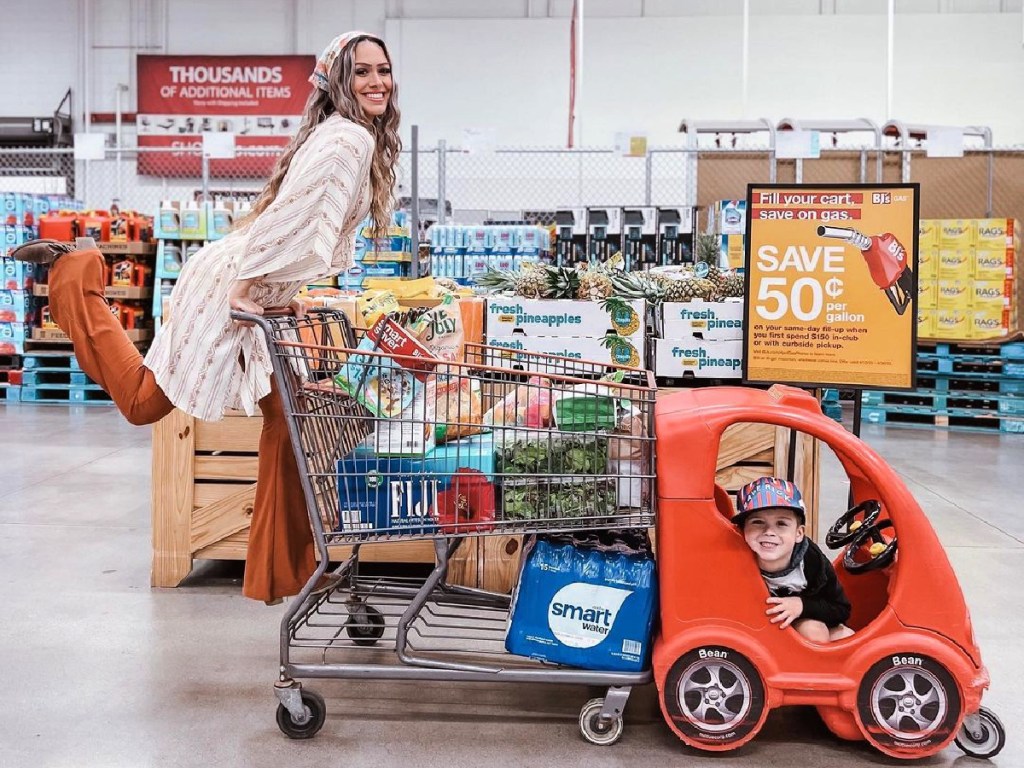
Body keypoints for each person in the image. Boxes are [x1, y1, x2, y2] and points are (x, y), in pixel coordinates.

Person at [10, 31, 401, 605]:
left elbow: (294, 219)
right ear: (339, 81)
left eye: (383, 71)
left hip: (247, 280)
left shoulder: (344, 135)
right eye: (362, 72)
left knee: (286, 424)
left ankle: (283, 571)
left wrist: (280, 290)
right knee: (147, 403)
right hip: (226, 285)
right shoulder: (347, 140)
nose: (376, 83)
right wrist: (249, 288)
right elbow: (289, 217)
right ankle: (77, 276)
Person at [733, 476, 854, 643]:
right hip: (752, 628)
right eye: (757, 522)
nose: (769, 531)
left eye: (781, 523)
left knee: (839, 636)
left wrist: (802, 606)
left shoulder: (812, 561)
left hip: (797, 621)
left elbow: (841, 609)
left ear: (799, 533)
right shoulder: (735, 556)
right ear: (742, 529)